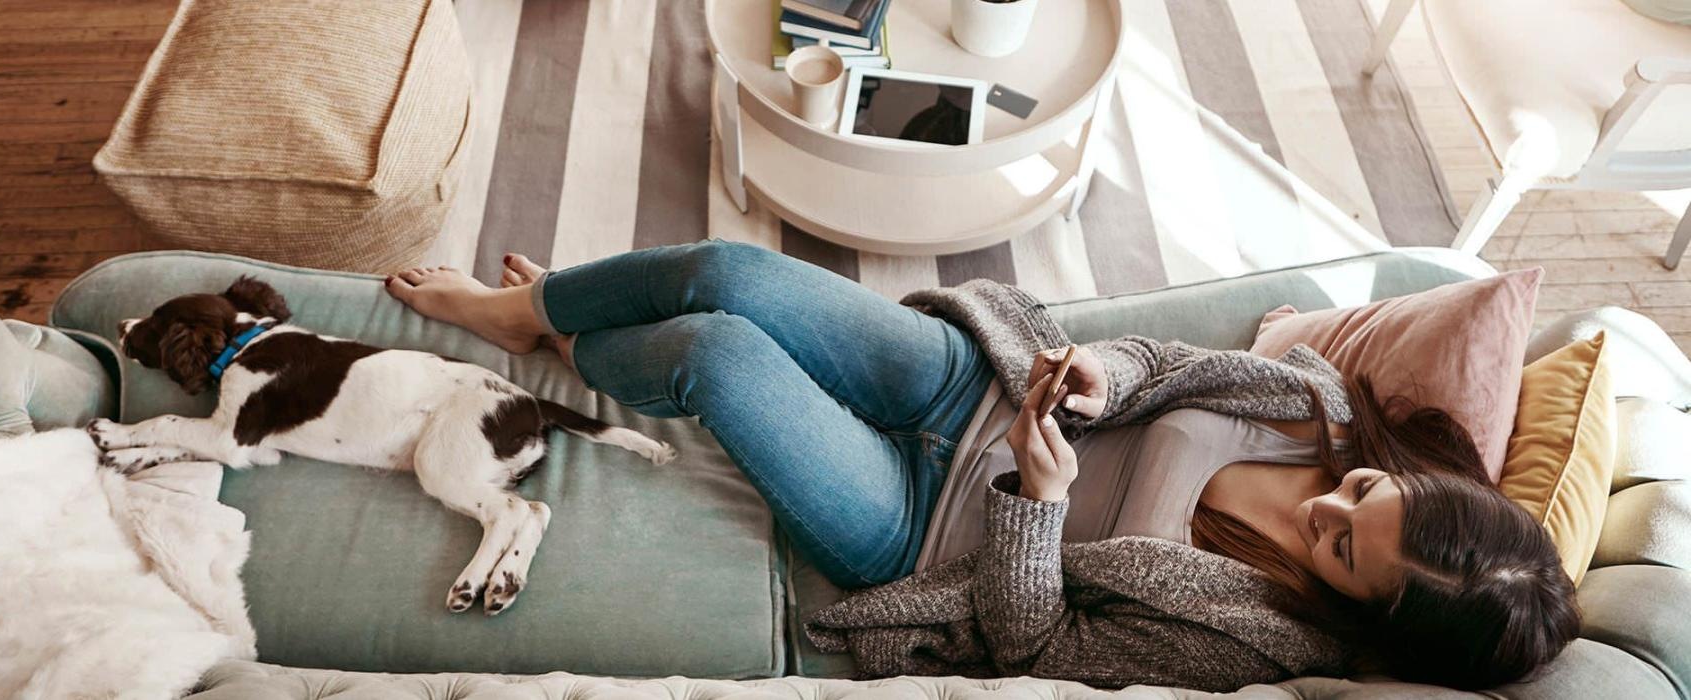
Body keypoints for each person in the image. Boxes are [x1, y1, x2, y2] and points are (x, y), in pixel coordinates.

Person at [383, 240, 1577, 691]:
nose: (1329, 505)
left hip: (921, 525)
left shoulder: (1255, 637)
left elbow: (1040, 646)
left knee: (714, 352)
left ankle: (577, 340)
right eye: (1366, 495)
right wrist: (1107, 371)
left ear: (1359, 612)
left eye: (1338, 547)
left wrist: (1041, 505)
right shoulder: (1320, 405)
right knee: (729, 274)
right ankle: (526, 310)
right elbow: (1164, 363)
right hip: (971, 386)